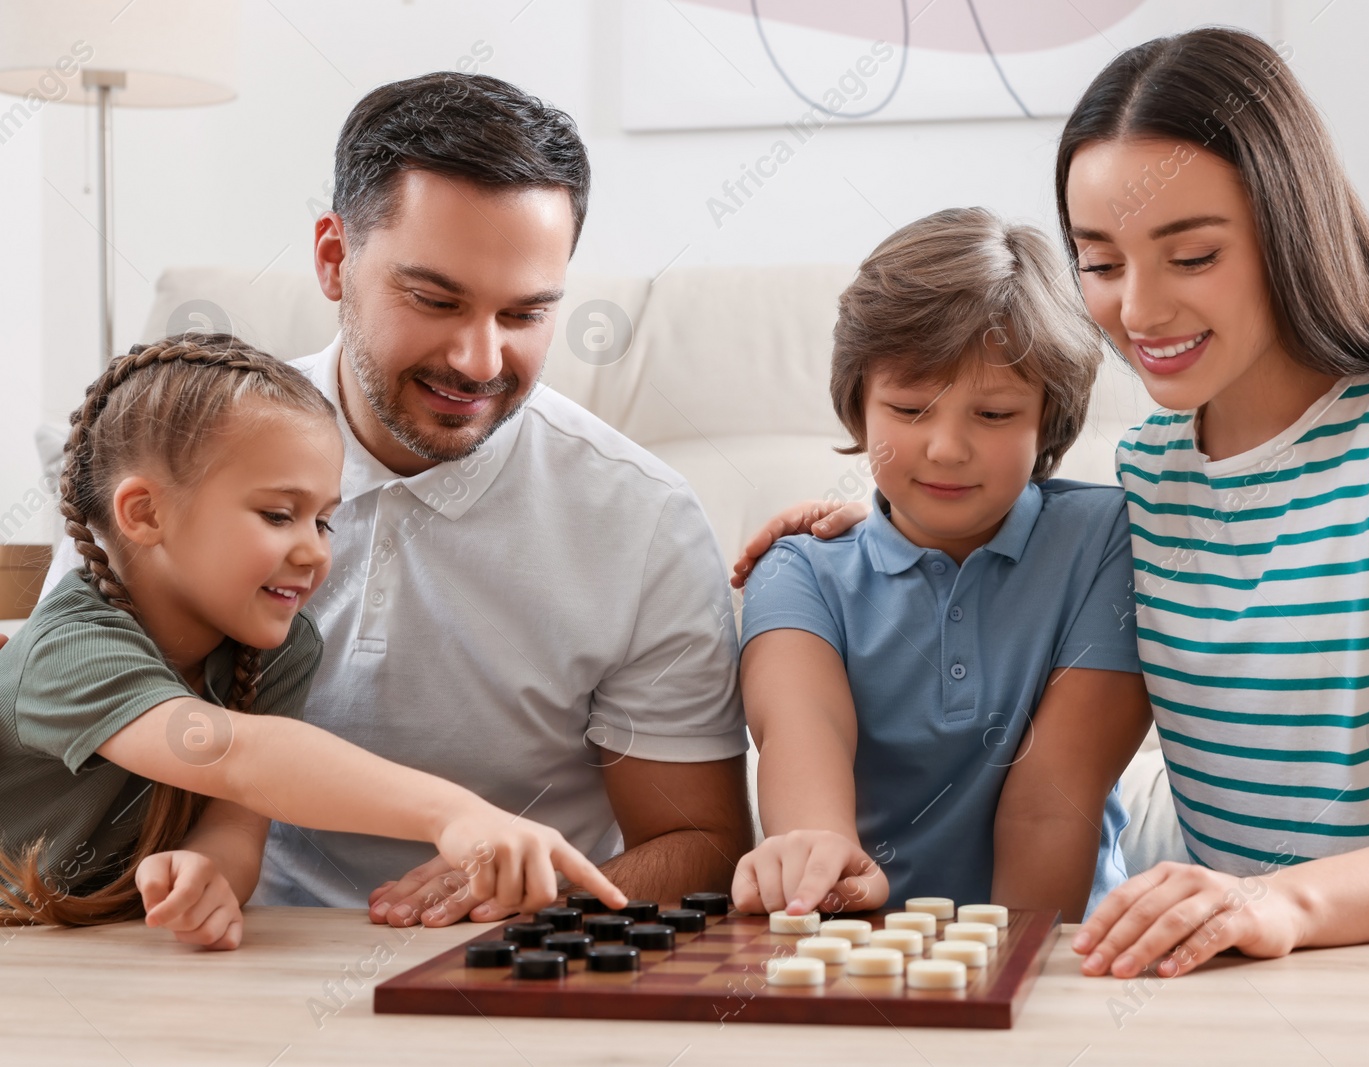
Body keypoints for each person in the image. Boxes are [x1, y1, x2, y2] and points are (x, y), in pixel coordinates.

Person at [734, 27, 1369, 976]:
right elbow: (1015, 534)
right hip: (1265, 978)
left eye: (1190, 257)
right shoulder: (1152, 472)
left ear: (1288, 229)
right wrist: (885, 522)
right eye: (1101, 263)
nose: (1138, 312)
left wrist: (1278, 898)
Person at [43, 73, 752, 927]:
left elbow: (704, 843)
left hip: (504, 955)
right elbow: (214, 754)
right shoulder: (174, 455)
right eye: (436, 299)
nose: (480, 359)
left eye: (525, 313)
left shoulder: (642, 521)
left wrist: (531, 893)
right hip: (221, 950)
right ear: (334, 259)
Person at [1, 335, 625, 950]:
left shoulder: (275, 648)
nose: (315, 551)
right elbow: (238, 756)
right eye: (279, 515)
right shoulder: (70, 649)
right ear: (144, 514)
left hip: (87, 959)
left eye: (324, 520)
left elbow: (239, 826)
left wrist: (210, 873)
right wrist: (452, 813)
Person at [734, 208, 1150, 922]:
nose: (947, 449)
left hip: (1055, 956)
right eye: (909, 408)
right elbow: (805, 750)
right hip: (864, 952)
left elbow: (1050, 810)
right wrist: (822, 865)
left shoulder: (1107, 539)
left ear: (1047, 418)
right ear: (859, 407)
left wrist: (998, 1001)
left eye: (992, 415)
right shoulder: (796, 572)